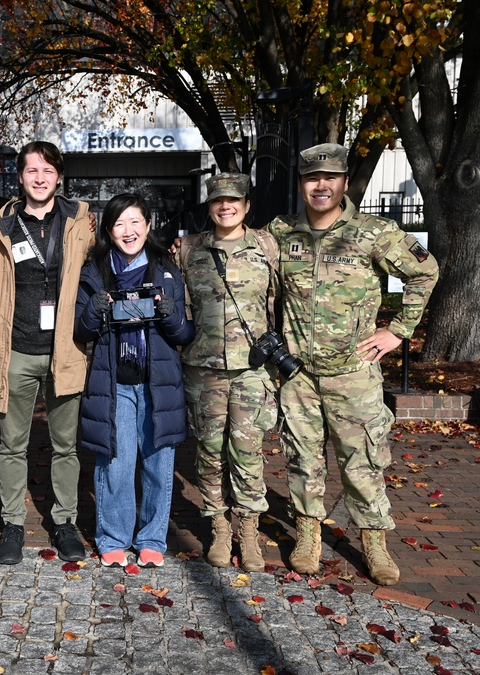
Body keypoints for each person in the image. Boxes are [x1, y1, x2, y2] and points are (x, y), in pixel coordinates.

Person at [267, 143, 439, 585]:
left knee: (361, 461)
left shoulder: (374, 232)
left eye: (329, 178)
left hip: (353, 374)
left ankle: (373, 540)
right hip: (298, 374)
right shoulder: (281, 231)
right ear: (301, 183)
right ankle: (308, 532)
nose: (320, 186)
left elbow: (425, 271)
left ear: (344, 182)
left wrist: (398, 331)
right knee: (303, 459)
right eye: (311, 178)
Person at [0, 141, 93, 565]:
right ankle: (12, 524)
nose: (39, 178)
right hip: (14, 351)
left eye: (47, 170)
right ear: (20, 177)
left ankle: (64, 522)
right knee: (11, 445)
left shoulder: (81, 222)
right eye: (31, 171)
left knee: (66, 445)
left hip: (66, 350)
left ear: (59, 176)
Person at [74, 193, 194, 567]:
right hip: (115, 383)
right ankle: (112, 535)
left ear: (148, 225)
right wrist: (95, 310)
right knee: (116, 461)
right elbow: (81, 329)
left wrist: (170, 314)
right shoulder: (94, 271)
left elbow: (184, 335)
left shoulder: (167, 269)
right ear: (109, 230)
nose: (128, 231)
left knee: (159, 462)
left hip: (158, 382)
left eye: (135, 222)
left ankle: (152, 539)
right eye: (119, 224)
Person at [174, 173, 279, 572]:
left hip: (253, 369)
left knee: (248, 453)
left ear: (246, 205)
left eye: (234, 200)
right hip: (204, 370)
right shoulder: (187, 249)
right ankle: (219, 526)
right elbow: (180, 306)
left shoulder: (268, 246)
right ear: (210, 206)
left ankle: (248, 531)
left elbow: (281, 301)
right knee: (209, 452)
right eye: (218, 201)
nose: (226, 207)